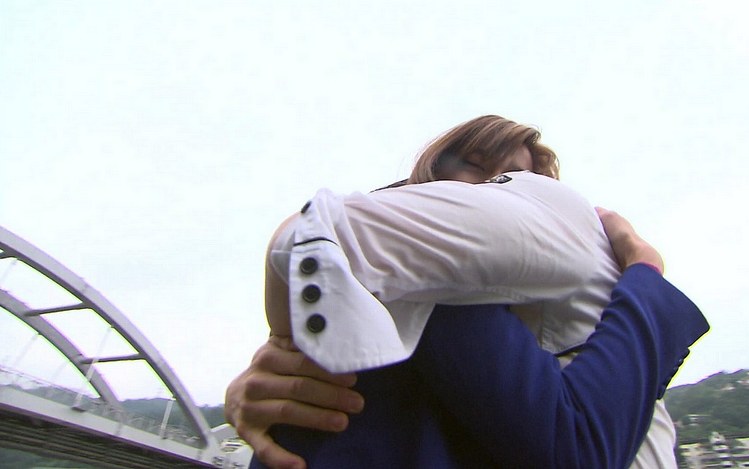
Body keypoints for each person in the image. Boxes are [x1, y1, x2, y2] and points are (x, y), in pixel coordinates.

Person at [228, 116, 709, 468]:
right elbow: (579, 445)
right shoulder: (429, 284)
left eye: (514, 179)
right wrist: (645, 273)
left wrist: (282, 345)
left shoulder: (496, 285)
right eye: (479, 169)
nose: (498, 194)